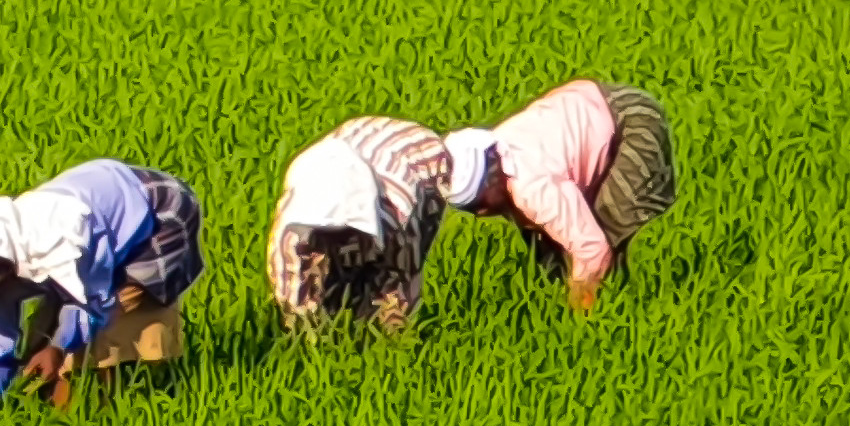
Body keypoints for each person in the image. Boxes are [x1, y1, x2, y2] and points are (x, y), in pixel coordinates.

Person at [0, 159, 202, 407]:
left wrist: (57, 350)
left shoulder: (60, 236)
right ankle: (56, 396)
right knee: (43, 336)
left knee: (115, 315)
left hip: (158, 209)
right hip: (99, 215)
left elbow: (91, 304)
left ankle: (103, 402)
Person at [445, 79, 675, 309]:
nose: (480, 213)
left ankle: (616, 311)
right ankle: (561, 305)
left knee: (610, 227)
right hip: (590, 109)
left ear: (492, 178)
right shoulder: (497, 152)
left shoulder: (533, 187)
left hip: (631, 122)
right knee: (548, 246)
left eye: (477, 203)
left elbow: (593, 251)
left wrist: (578, 317)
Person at [268, 116, 450, 328]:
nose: (331, 246)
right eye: (324, 236)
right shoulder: (292, 230)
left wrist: (391, 331)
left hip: (421, 158)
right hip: (355, 143)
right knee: (324, 285)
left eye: (340, 236)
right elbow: (292, 308)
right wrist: (307, 332)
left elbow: (396, 286)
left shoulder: (397, 215)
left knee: (389, 282)